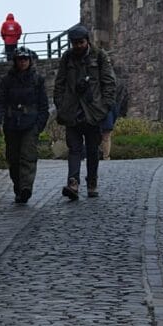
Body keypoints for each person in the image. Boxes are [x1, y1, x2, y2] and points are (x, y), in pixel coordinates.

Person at [53, 24, 116, 200]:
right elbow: (59, 83)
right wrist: (61, 105)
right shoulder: (67, 58)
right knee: (74, 148)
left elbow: (109, 82)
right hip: (72, 111)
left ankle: (92, 182)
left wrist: (105, 106)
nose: (78, 46)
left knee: (92, 150)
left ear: (87, 41)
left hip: (93, 111)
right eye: (74, 43)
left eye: (80, 42)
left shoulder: (99, 56)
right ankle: (73, 182)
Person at [0, 47, 49, 204]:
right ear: (15, 61)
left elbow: (44, 106)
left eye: (25, 59)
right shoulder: (7, 81)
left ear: (29, 61)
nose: (22, 62)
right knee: (13, 158)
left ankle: (26, 188)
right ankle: (18, 187)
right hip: (12, 124)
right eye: (20, 59)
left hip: (30, 124)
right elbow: (0, 102)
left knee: (27, 156)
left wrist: (39, 125)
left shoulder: (37, 80)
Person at [99, 79, 128, 160]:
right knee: (106, 138)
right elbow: (116, 111)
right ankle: (106, 156)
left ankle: (101, 155)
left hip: (101, 118)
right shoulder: (112, 99)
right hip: (107, 119)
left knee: (101, 137)